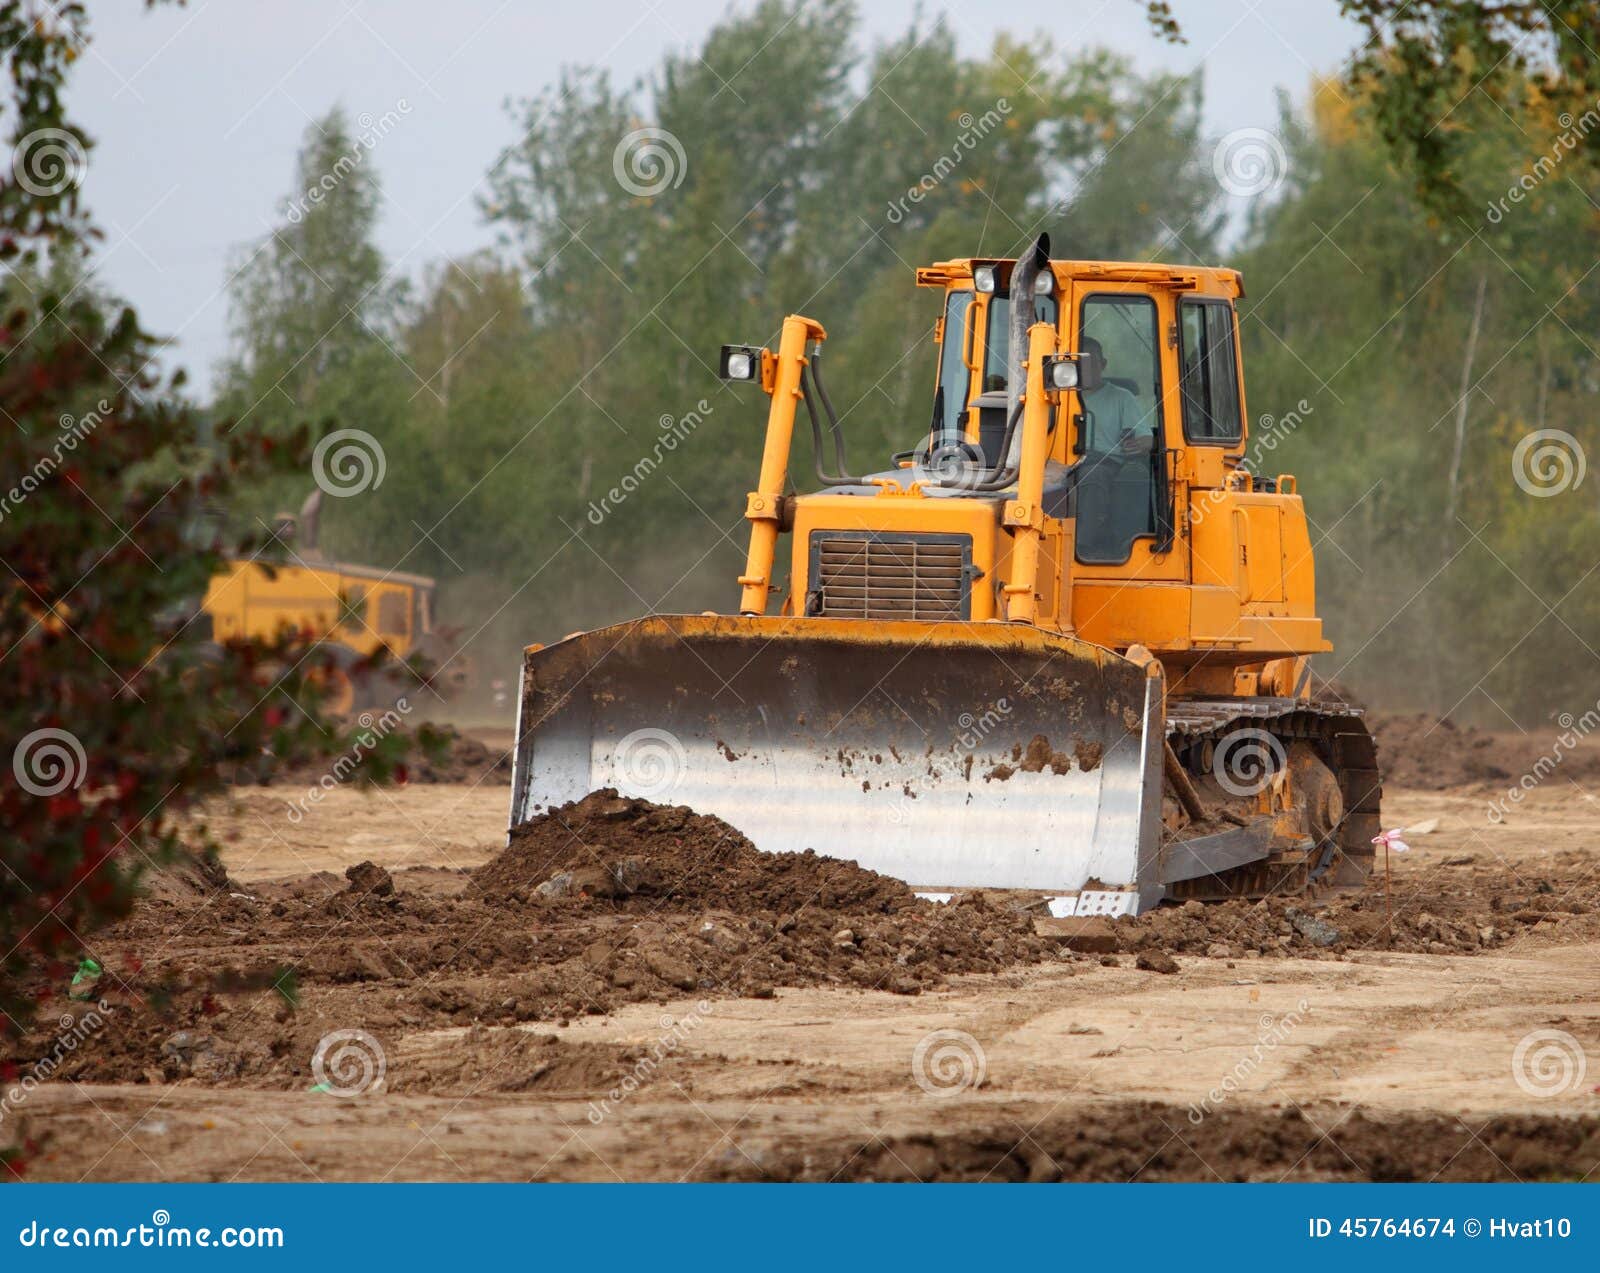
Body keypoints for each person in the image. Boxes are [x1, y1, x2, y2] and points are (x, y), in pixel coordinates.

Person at [1077, 336, 1155, 457]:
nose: (1086, 368)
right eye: (1081, 362)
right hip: (1065, 464)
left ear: (1103, 364)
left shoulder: (1123, 397)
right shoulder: (1061, 398)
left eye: (1092, 362)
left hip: (1108, 463)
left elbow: (1147, 440)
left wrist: (1135, 444)